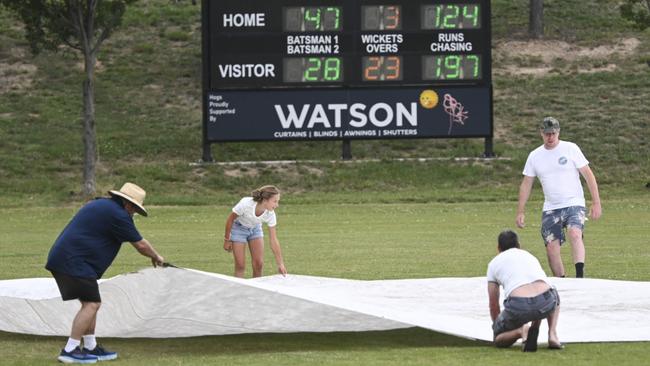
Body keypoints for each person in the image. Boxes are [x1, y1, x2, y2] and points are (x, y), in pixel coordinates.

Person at [45, 182, 165, 363]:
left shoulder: (102, 205)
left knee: (91, 303)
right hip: (74, 262)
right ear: (128, 204)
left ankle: (91, 346)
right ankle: (70, 349)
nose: (133, 214)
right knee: (92, 304)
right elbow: (140, 244)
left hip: (68, 260)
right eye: (134, 210)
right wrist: (157, 256)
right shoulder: (118, 214)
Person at [516, 117, 601, 278]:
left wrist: (596, 202)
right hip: (551, 207)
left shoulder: (571, 149)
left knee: (575, 233)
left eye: (553, 133)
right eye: (547, 134)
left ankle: (579, 277)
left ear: (558, 132)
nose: (550, 137)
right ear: (541, 133)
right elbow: (526, 184)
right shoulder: (535, 156)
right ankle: (561, 280)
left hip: (573, 202)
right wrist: (521, 211)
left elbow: (588, 175)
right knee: (551, 248)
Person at [487, 230, 562, 352]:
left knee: (499, 339)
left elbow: (493, 304)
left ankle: (521, 331)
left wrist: (497, 327)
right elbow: (544, 283)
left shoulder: (493, 264)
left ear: (498, 248)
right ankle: (552, 334)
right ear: (519, 245)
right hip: (544, 302)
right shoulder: (529, 256)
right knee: (552, 292)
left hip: (518, 306)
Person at [223, 185, 287, 278]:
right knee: (240, 266)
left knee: (258, 264)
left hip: (255, 229)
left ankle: (256, 290)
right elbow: (230, 219)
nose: (277, 205)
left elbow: (273, 240)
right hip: (238, 228)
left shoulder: (270, 214)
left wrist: (280, 264)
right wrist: (227, 240)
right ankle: (238, 290)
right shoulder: (246, 204)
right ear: (265, 200)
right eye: (275, 201)